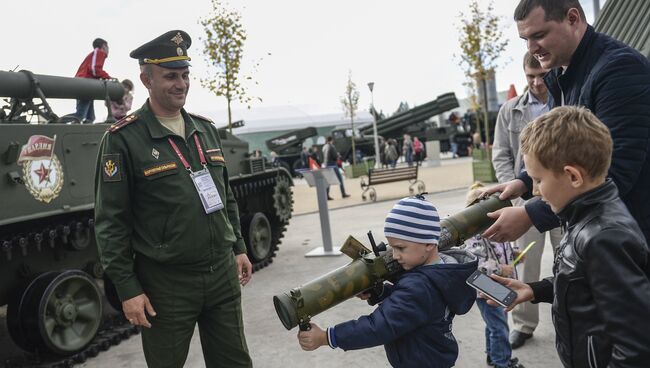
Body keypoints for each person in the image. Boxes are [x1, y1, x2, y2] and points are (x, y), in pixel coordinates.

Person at [94, 30, 253, 368]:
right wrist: (127, 288)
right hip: (167, 285)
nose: (181, 84)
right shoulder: (124, 140)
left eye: (184, 75)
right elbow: (111, 222)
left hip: (221, 275)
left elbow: (226, 196)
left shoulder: (204, 129)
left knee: (235, 362)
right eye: (170, 76)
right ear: (146, 79)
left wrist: (238, 247)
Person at [487, 106, 650, 368]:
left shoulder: (604, 238)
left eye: (538, 180)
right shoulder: (582, 218)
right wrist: (534, 290)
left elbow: (637, 344)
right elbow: (585, 283)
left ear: (573, 176)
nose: (536, 191)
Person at [482, 0, 650, 245]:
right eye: (525, 39)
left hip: (632, 239)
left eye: (539, 35)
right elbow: (560, 152)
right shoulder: (560, 76)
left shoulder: (619, 69)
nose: (531, 48)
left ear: (572, 18)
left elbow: (613, 172)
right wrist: (524, 182)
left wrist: (531, 214)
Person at [297, 195, 478, 368]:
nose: (394, 255)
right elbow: (417, 305)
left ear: (429, 244)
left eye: (400, 248)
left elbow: (378, 327)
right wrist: (381, 292)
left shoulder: (419, 287)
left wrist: (327, 337)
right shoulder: (441, 272)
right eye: (392, 247)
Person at [491, 51, 562, 349]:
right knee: (525, 264)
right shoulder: (510, 110)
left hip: (561, 199)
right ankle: (523, 323)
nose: (536, 83)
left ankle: (567, 317)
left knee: (567, 261)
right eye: (530, 77)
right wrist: (517, 194)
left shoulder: (563, 102)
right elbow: (501, 154)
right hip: (527, 200)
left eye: (541, 76)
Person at [464, 183, 524, 368]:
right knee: (499, 326)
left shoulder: (495, 226)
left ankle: (494, 355)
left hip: (498, 284)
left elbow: (503, 246)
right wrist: (499, 269)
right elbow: (476, 263)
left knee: (495, 322)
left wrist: (514, 253)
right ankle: (501, 362)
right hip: (486, 284)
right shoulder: (473, 234)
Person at [74, 38, 112, 123]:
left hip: (85, 84)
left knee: (90, 117)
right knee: (80, 115)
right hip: (85, 84)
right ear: (104, 46)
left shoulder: (95, 54)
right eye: (108, 46)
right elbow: (94, 69)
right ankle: (59, 121)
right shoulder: (99, 52)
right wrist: (108, 77)